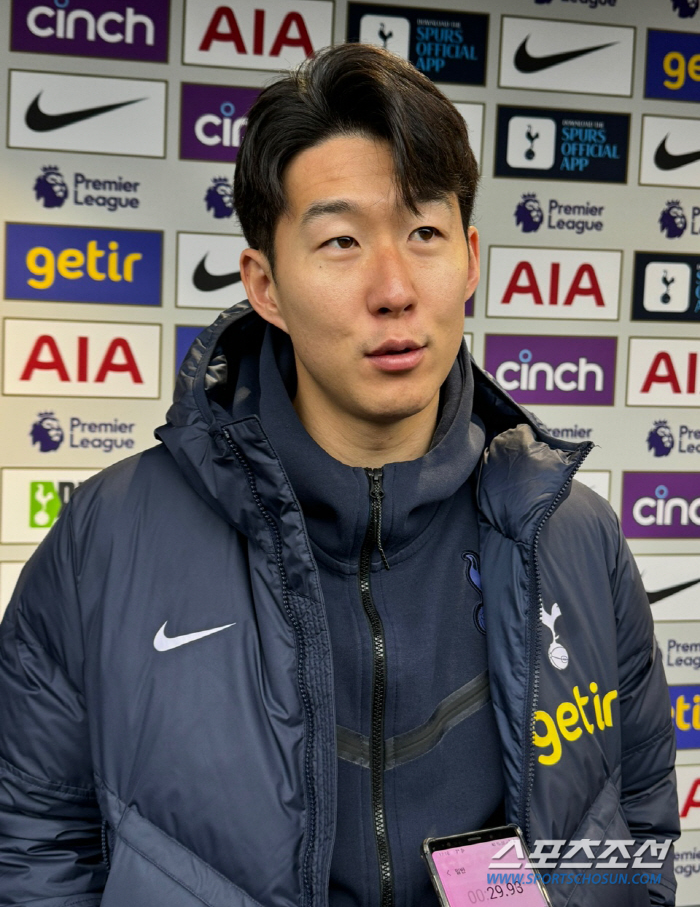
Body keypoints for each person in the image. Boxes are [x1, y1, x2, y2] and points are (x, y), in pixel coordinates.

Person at [0, 44, 678, 907]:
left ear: (470, 259)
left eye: (424, 232)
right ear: (265, 285)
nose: (394, 288)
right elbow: (33, 840)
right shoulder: (109, 538)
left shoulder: (574, 536)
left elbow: (635, 827)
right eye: (341, 240)